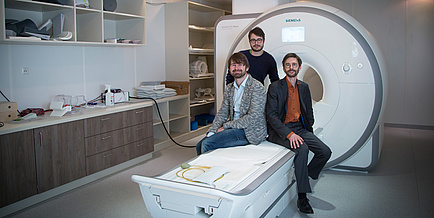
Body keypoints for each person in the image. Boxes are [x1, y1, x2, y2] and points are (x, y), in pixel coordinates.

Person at [266, 53, 332, 214]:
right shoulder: (275, 87)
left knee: (325, 152)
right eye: (288, 65)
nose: (291, 68)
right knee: (302, 149)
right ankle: (302, 198)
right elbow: (271, 116)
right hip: (281, 130)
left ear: (299, 67)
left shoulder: (304, 87)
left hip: (300, 128)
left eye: (294, 65)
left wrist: (308, 128)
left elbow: (308, 110)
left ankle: (305, 175)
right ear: (283, 68)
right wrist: (289, 134)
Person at [196, 52, 267, 155]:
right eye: (233, 65)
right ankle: (200, 168)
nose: (236, 68)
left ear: (246, 68)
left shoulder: (257, 87)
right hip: (234, 127)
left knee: (207, 144)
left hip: (250, 131)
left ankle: (210, 170)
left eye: (240, 64)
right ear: (229, 69)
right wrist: (212, 130)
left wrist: (226, 126)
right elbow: (223, 112)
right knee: (200, 144)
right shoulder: (230, 88)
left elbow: (253, 118)